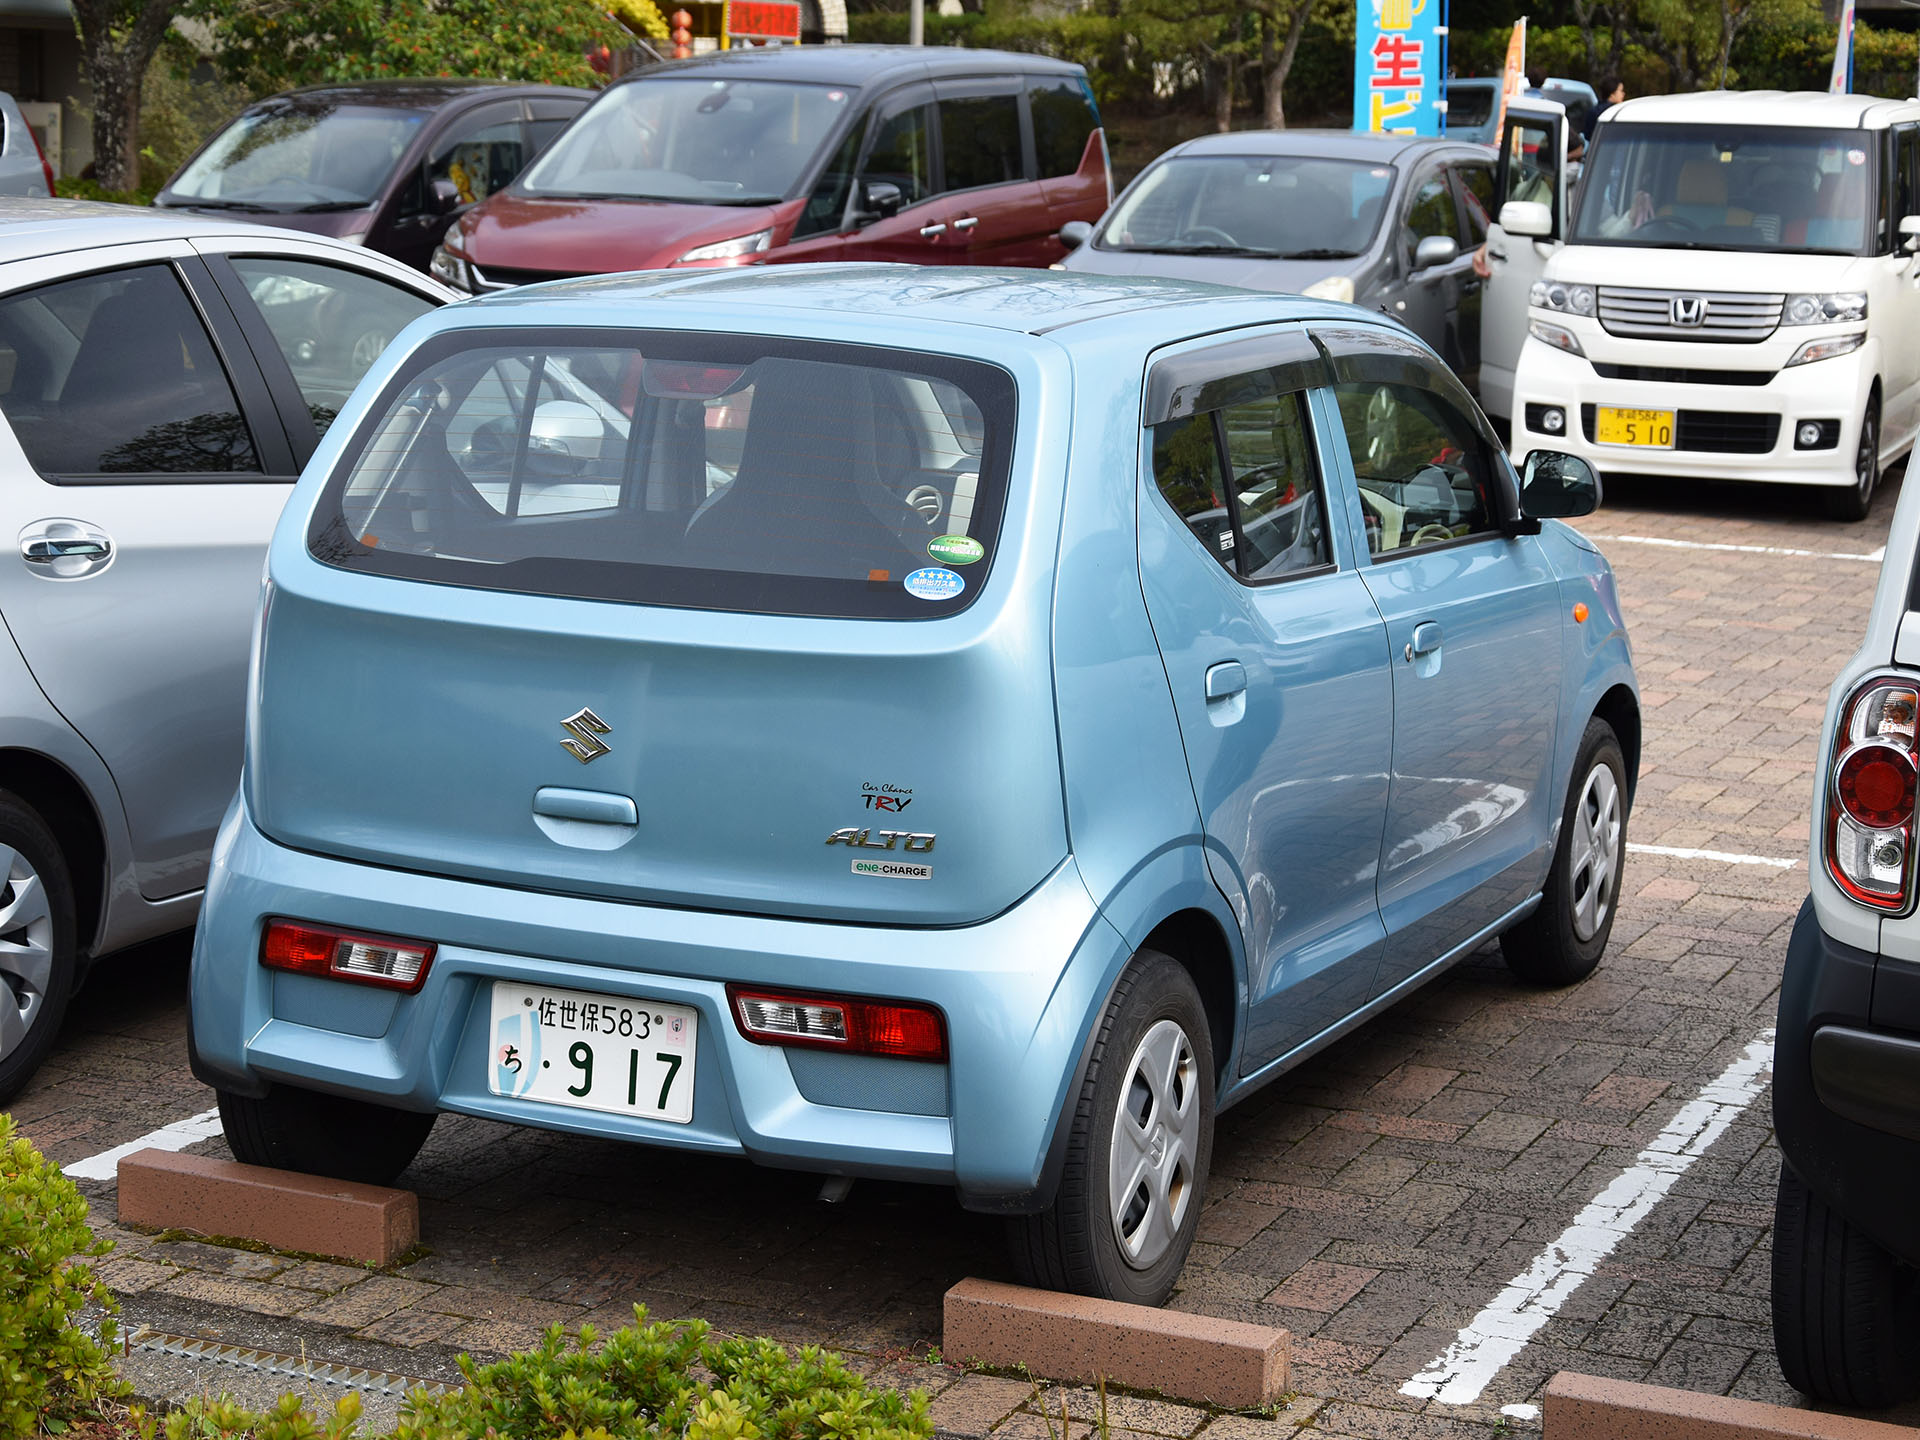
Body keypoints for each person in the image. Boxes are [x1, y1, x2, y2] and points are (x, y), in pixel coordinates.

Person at [1586, 74, 1624, 145]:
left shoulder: (1592, 111)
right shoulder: (1616, 112)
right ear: (1612, 93)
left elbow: (1587, 136)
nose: (1623, 94)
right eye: (1621, 91)